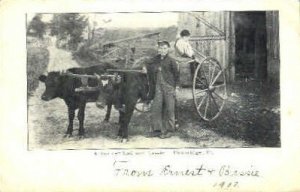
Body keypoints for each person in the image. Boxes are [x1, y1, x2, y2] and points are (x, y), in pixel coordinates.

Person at [146, 41, 180, 139]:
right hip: (158, 87)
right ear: (158, 49)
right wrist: (145, 67)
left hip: (169, 86)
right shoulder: (154, 60)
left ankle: (170, 130)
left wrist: (176, 87)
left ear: (168, 49)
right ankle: (157, 130)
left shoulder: (171, 61)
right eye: (160, 48)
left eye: (165, 48)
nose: (162, 50)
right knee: (156, 108)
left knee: (170, 108)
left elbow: (177, 75)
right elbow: (147, 63)